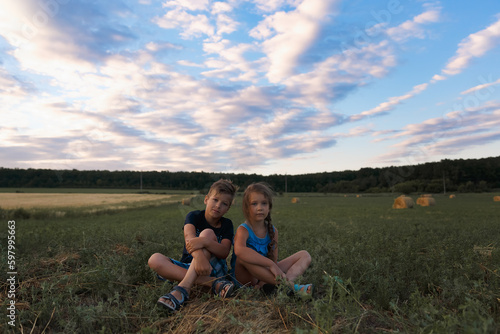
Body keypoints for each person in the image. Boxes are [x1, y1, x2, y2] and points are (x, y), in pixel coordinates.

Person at [148, 179, 238, 311]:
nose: (218, 205)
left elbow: (224, 251)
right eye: (215, 200)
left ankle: (182, 289)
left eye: (224, 203)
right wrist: (200, 258)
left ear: (228, 208)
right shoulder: (194, 216)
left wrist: (206, 241)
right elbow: (189, 240)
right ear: (206, 199)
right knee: (154, 259)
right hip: (191, 265)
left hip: (213, 268)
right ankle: (213, 284)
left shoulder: (226, 224)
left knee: (207, 233)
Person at [230, 182, 313, 295]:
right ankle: (292, 287)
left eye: (264, 203)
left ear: (269, 207)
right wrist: (271, 265)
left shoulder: (273, 231)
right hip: (246, 279)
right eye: (254, 204)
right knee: (243, 258)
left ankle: (283, 286)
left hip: (265, 275)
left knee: (305, 255)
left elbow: (273, 259)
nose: (260, 208)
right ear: (246, 208)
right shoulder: (243, 230)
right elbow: (239, 251)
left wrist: (269, 270)